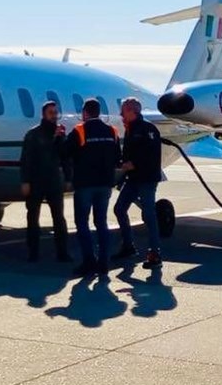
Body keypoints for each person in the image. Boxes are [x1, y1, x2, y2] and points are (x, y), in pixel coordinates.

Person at [66, 98, 120, 276]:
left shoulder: (80, 131)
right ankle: (103, 263)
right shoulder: (112, 131)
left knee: (82, 223)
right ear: (98, 112)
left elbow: (65, 152)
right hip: (105, 184)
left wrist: (59, 138)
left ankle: (89, 260)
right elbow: (117, 156)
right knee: (101, 223)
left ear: (85, 113)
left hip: (85, 184)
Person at [114, 96, 163, 269]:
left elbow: (153, 155)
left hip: (147, 179)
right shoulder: (130, 129)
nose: (121, 114)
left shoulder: (148, 129)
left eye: (123, 110)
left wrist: (134, 164)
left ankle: (155, 253)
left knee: (149, 214)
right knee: (119, 209)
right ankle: (128, 246)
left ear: (132, 111)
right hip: (133, 178)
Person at [19, 100, 70, 263]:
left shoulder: (60, 134)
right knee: (33, 217)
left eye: (56, 113)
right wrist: (25, 181)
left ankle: (62, 252)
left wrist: (68, 177)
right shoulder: (33, 134)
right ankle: (33, 252)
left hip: (54, 179)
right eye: (51, 113)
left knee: (59, 218)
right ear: (44, 115)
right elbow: (26, 159)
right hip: (36, 180)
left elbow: (65, 157)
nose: (54, 116)